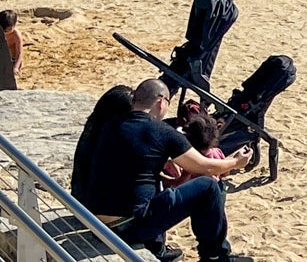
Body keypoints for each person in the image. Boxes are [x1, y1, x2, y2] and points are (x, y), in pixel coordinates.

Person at [77, 78, 251, 262]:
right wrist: (235, 162)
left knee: (153, 185)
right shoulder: (162, 131)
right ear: (160, 102)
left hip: (96, 221)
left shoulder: (111, 125)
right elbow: (205, 166)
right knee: (208, 187)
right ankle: (216, 256)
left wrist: (164, 162)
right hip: (129, 227)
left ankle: (157, 247)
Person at [0, 10, 21, 91]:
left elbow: (19, 53)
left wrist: (16, 67)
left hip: (12, 61)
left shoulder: (15, 35)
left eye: (7, 31)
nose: (5, 33)